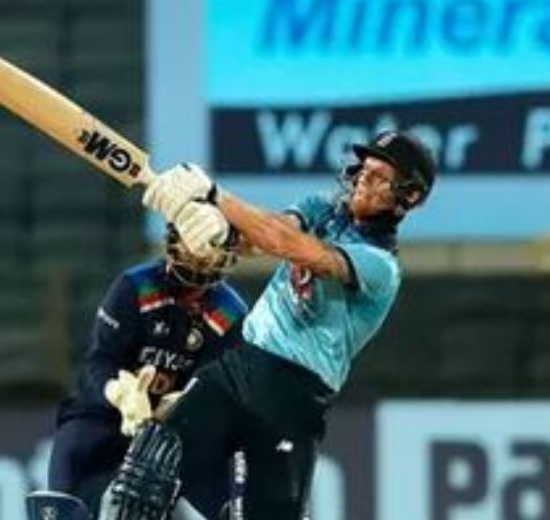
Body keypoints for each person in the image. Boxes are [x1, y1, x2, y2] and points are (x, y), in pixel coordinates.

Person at [98, 130, 437, 520]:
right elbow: (257, 238)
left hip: (292, 398)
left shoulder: (379, 266)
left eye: (379, 177)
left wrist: (215, 195)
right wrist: (210, 224)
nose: (363, 178)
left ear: (409, 197)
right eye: (364, 169)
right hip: (239, 367)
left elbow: (284, 242)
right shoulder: (323, 209)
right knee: (144, 476)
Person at [45, 224, 251, 518]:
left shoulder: (230, 313)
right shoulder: (135, 287)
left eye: (211, 248)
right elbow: (99, 361)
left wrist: (183, 409)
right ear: (175, 239)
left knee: (222, 473)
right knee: (74, 448)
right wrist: (118, 393)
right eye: (193, 241)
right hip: (108, 415)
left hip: (176, 431)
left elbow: (215, 390)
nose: (200, 255)